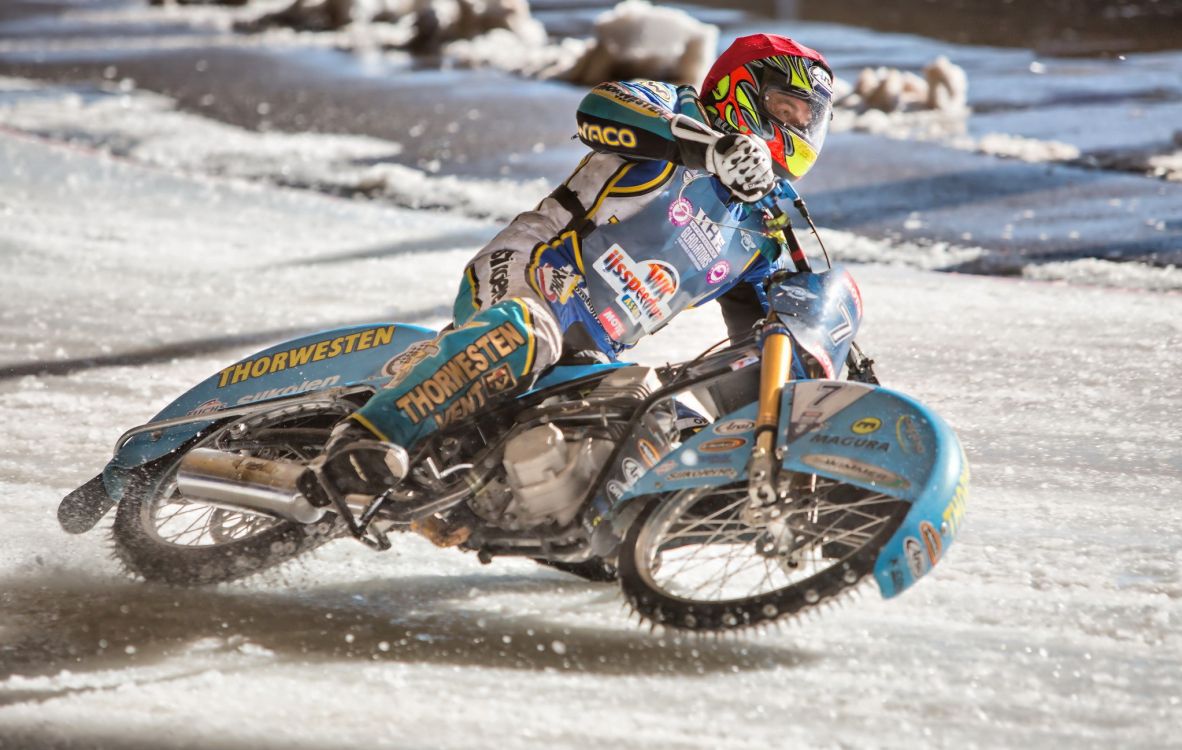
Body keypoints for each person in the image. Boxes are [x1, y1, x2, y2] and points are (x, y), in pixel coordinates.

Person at [324, 33, 836, 500]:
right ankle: (368, 438)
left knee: (665, 439)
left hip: (593, 352)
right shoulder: (675, 108)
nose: (794, 125)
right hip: (532, 274)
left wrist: (822, 388)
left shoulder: (763, 227)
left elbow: (768, 336)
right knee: (527, 335)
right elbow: (600, 109)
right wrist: (709, 148)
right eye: (784, 106)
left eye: (805, 118)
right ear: (741, 86)